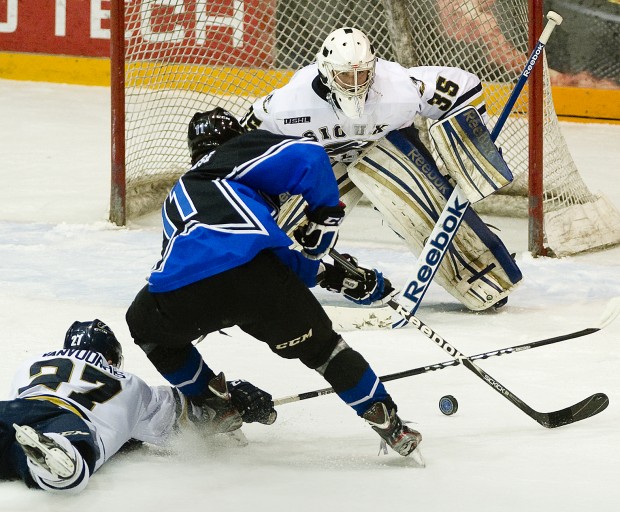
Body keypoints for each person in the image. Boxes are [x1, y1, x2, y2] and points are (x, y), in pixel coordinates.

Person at [125, 107, 422, 459]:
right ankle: (387, 420)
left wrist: (327, 275)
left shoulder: (179, 194)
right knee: (325, 351)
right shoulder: (232, 154)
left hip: (186, 292)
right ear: (234, 139)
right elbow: (309, 156)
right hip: (259, 284)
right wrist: (325, 219)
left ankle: (213, 403)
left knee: (143, 324)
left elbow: (212, 256)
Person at [240, 26, 523, 312]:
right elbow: (243, 147)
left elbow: (463, 87)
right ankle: (273, 272)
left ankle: (483, 273)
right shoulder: (286, 105)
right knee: (275, 239)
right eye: (345, 75)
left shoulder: (398, 87)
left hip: (385, 147)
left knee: (425, 208)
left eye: (361, 74)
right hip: (320, 163)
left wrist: (473, 149)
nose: (354, 83)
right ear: (325, 70)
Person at [0, 319, 270, 493]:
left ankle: (33, 452)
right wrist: (235, 400)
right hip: (69, 422)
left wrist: (127, 437)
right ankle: (60, 454)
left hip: (16, 411)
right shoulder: (129, 383)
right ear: (112, 357)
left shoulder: (32, 363)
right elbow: (193, 418)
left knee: (11, 447)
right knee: (73, 464)